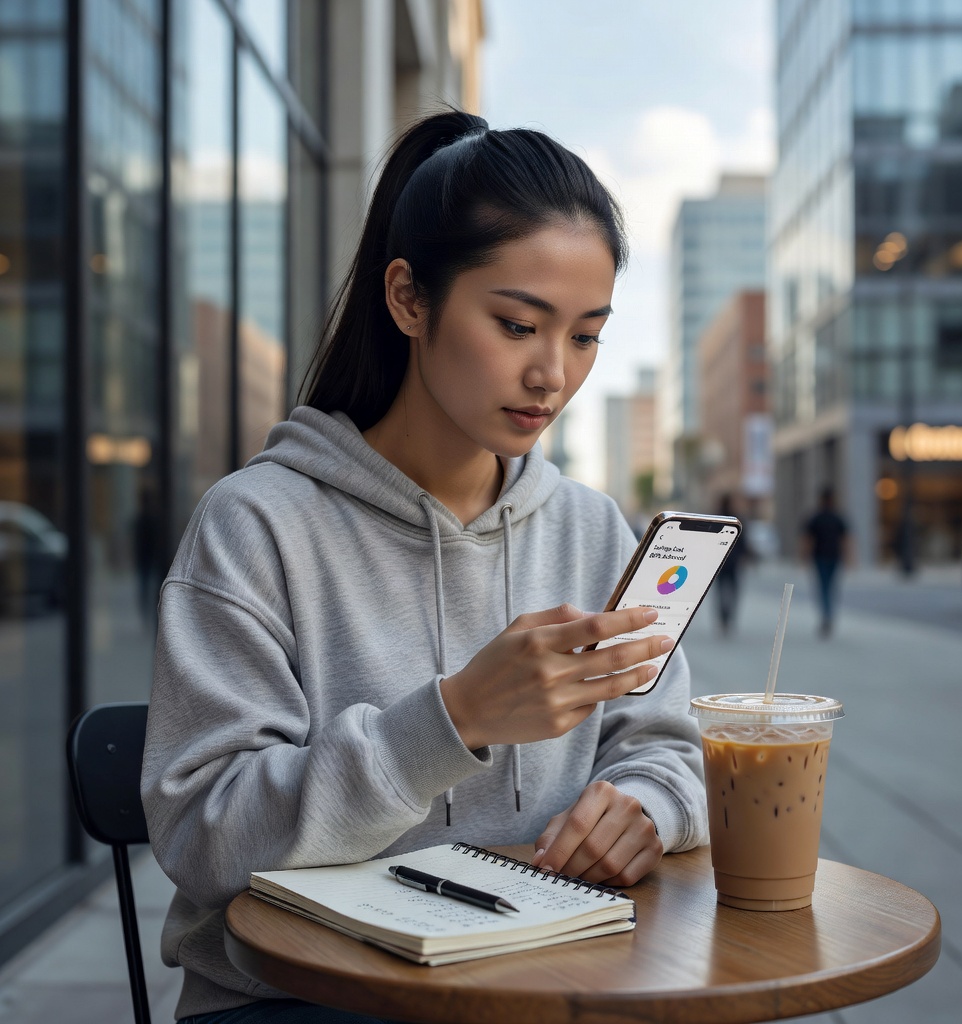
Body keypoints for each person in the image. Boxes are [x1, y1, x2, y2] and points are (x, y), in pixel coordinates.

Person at [141, 110, 709, 1024]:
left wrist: (645, 805)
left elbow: (667, 746)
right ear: (408, 298)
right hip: (298, 999)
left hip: (540, 980)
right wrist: (454, 719)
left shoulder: (592, 530)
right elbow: (206, 833)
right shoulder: (258, 526)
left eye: (585, 335)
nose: (552, 375)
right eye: (519, 324)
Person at [801, 486, 851, 637]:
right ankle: (828, 615)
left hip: (821, 557)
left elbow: (808, 540)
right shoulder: (837, 517)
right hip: (833, 556)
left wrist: (804, 555)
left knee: (823, 587)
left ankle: (826, 615)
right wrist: (849, 557)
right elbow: (846, 539)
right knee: (830, 587)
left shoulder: (817, 517)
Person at [713, 494, 747, 634]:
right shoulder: (736, 520)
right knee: (733, 591)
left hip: (720, 563)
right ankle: (729, 616)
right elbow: (743, 541)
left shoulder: (716, 520)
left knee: (721, 592)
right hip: (733, 562)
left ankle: (723, 617)